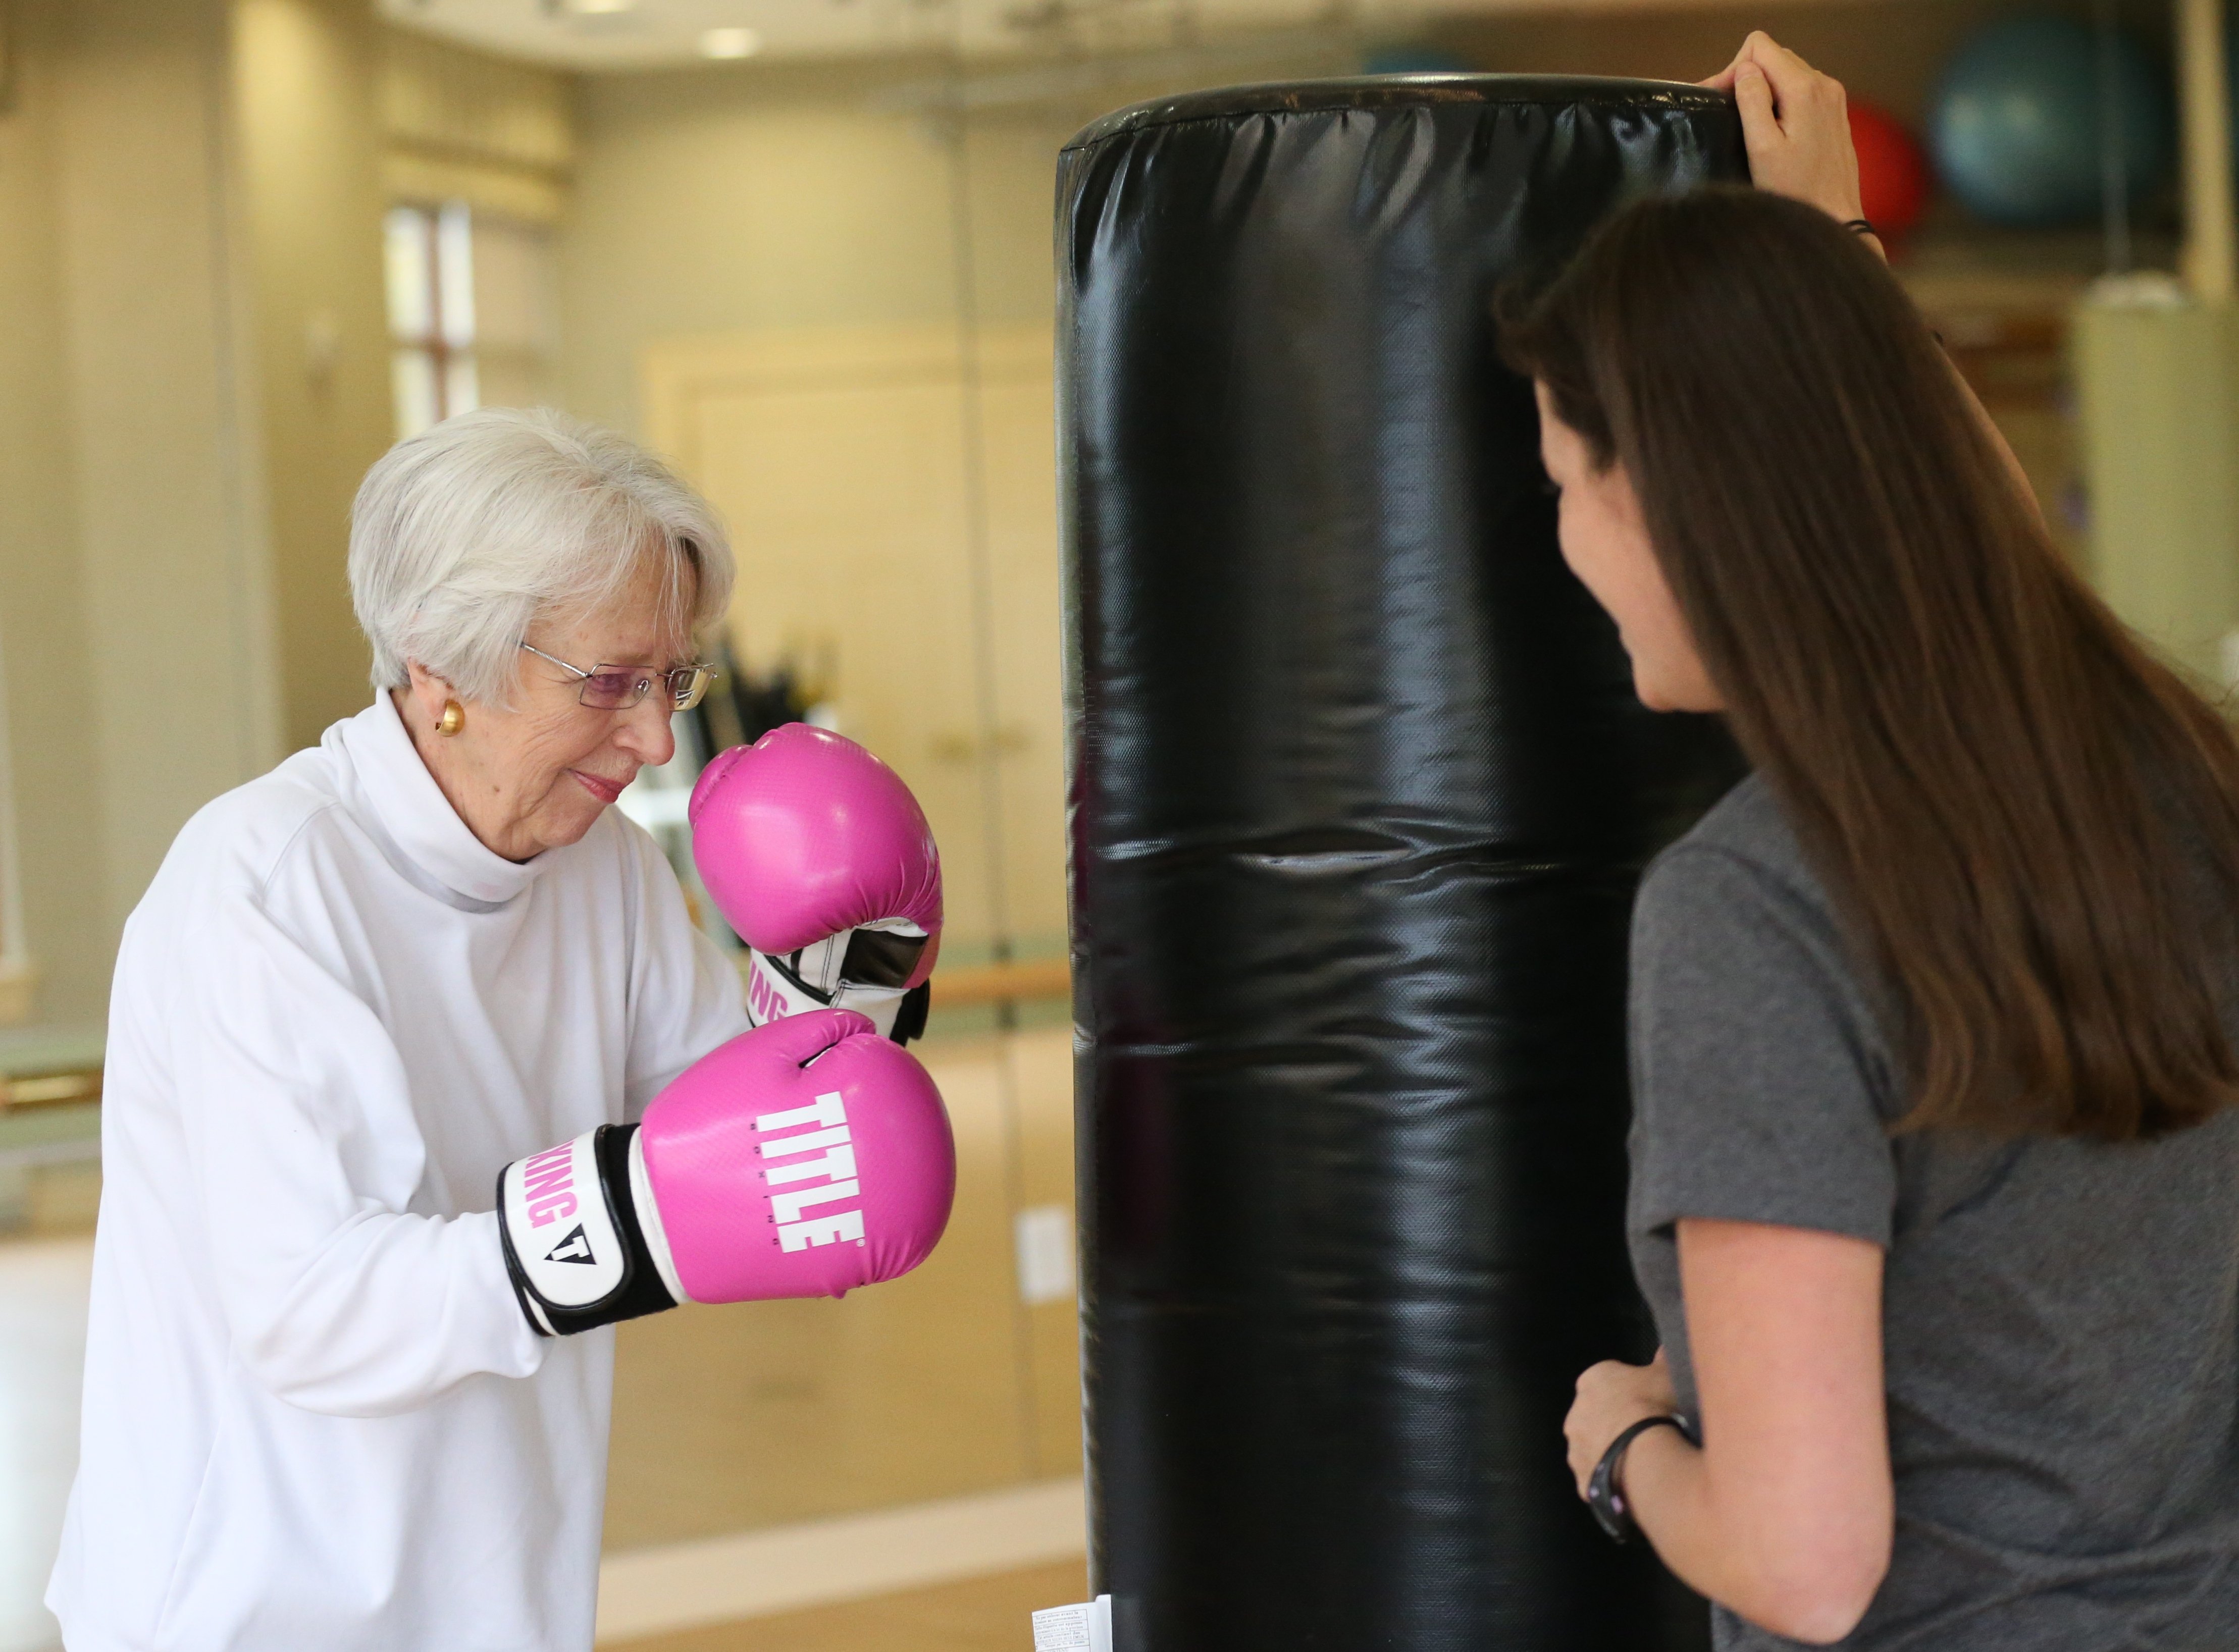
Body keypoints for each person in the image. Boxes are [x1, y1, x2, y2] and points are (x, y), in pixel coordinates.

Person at [1508, 33, 2239, 1651]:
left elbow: (1805, 1561)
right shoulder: (2168, 770)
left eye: (1564, 477)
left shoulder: (1753, 910)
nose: (1561, 539)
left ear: (1669, 497)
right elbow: (1964, 547)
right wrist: (1829, 259)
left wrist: (1621, 1442)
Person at [46, 407, 951, 1651]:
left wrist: (854, 974)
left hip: (498, 1592)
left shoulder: (606, 873)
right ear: (440, 661)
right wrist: (621, 1218)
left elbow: (774, 1138)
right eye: (610, 682)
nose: (652, 738)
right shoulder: (262, 886)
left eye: (673, 678)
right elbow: (310, 1306)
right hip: (245, 1605)